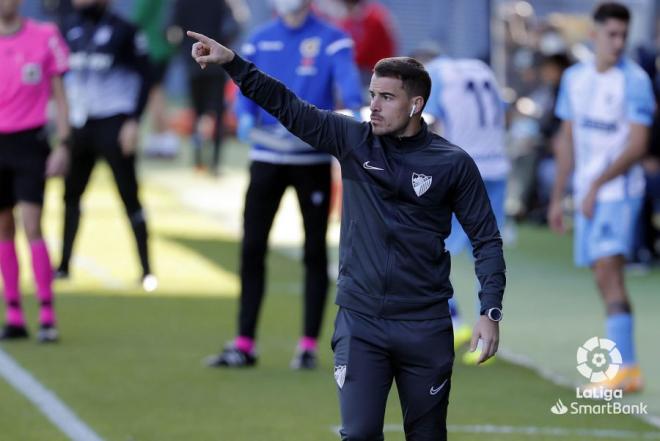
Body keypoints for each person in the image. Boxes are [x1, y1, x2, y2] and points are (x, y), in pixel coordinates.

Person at [188, 24, 505, 440]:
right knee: (357, 435)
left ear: (416, 105)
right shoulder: (353, 140)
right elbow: (288, 106)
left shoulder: (452, 163)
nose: (373, 106)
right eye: (372, 94)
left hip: (425, 325)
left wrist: (489, 311)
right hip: (361, 323)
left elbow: (486, 240)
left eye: (386, 98)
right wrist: (234, 64)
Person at [205, 0, 362, 370]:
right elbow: (241, 93)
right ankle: (244, 342)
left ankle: (307, 345)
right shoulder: (259, 39)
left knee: (314, 253)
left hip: (311, 160)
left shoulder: (334, 39)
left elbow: (350, 92)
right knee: (252, 248)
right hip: (266, 158)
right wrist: (242, 117)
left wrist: (352, 118)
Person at [549, 2, 656, 393]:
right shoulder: (575, 78)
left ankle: (625, 369)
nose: (618, 43)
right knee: (601, 275)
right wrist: (558, 196)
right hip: (588, 194)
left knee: (610, 272)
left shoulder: (635, 81)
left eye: (623, 36)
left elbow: (638, 144)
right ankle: (626, 368)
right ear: (593, 36)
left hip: (618, 192)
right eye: (611, 35)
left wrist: (595, 186)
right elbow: (567, 139)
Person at [54, 0, 157, 292]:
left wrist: (133, 121)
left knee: (129, 196)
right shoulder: (69, 29)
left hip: (114, 123)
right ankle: (63, 265)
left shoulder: (124, 30)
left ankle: (147, 269)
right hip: (81, 125)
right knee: (70, 196)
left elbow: (147, 76)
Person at [424, 54, 509, 363]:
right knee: (487, 248)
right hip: (496, 164)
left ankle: (454, 319)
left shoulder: (434, 73)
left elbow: (428, 122)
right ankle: (486, 328)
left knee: (431, 244)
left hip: (462, 168)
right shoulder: (482, 68)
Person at [0, 0, 70, 342]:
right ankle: (13, 312)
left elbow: (60, 93)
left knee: (32, 225)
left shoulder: (45, 36)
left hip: (30, 143)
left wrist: (64, 143)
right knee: (3, 226)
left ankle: (46, 312)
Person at [168, 0, 239, 174]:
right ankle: (214, 162)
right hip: (216, 63)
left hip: (193, 63)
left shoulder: (181, 3)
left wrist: (184, 50)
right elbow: (233, 26)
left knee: (197, 114)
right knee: (218, 113)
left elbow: (169, 30)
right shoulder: (222, 2)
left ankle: (198, 160)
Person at [132, 0, 179, 158]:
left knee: (154, 94)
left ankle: (164, 137)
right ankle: (159, 137)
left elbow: (138, 18)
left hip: (152, 49)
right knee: (157, 93)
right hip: (163, 48)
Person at [336, 0, 397, 85]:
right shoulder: (355, 19)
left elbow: (363, 53)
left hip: (375, 71)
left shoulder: (374, 19)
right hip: (368, 68)